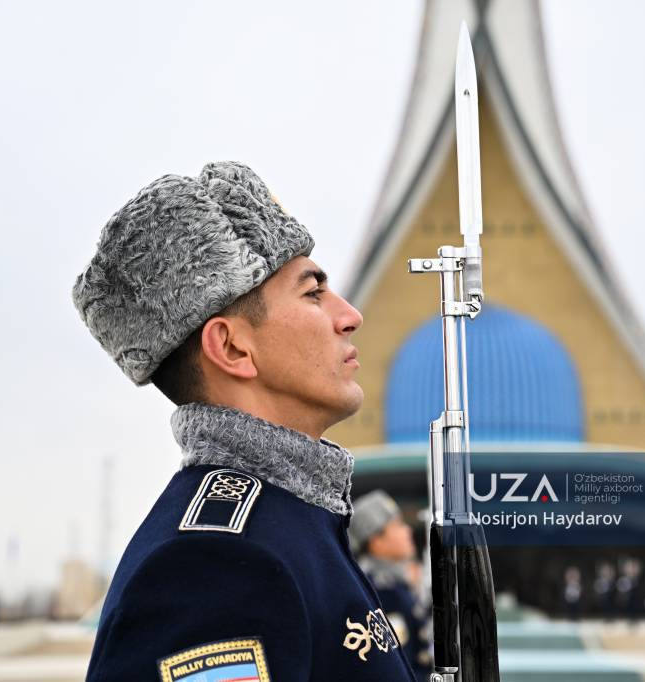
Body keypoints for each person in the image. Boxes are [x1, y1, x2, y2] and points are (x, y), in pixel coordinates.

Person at [72, 162, 417, 681]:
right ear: (232, 348)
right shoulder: (214, 565)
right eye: (313, 293)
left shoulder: (287, 522)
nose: (349, 316)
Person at [349, 490, 433, 681]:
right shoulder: (376, 590)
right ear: (376, 540)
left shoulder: (394, 584)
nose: (407, 531)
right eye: (398, 525)